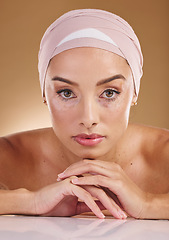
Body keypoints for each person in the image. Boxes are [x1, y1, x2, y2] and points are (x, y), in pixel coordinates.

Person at [0, 9, 168, 219]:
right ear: (45, 93)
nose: (88, 119)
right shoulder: (8, 156)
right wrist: (31, 201)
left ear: (134, 93)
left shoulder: (164, 153)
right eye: (67, 93)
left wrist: (148, 203)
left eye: (109, 93)